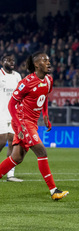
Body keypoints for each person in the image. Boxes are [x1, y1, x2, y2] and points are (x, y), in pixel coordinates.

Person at [0, 51, 69, 200]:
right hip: (23, 122)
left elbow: (44, 97)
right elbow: (12, 104)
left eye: (49, 60)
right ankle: (54, 191)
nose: (49, 63)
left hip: (32, 122)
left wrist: (45, 116)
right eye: (45, 60)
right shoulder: (26, 82)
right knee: (42, 152)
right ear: (37, 64)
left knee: (17, 158)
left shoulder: (49, 80)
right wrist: (19, 127)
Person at [0, 54, 23, 182]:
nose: (12, 62)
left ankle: (10, 174)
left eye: (13, 60)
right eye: (8, 60)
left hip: (13, 114)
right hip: (1, 113)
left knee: (12, 142)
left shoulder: (17, 76)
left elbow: (20, 94)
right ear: (2, 62)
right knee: (2, 141)